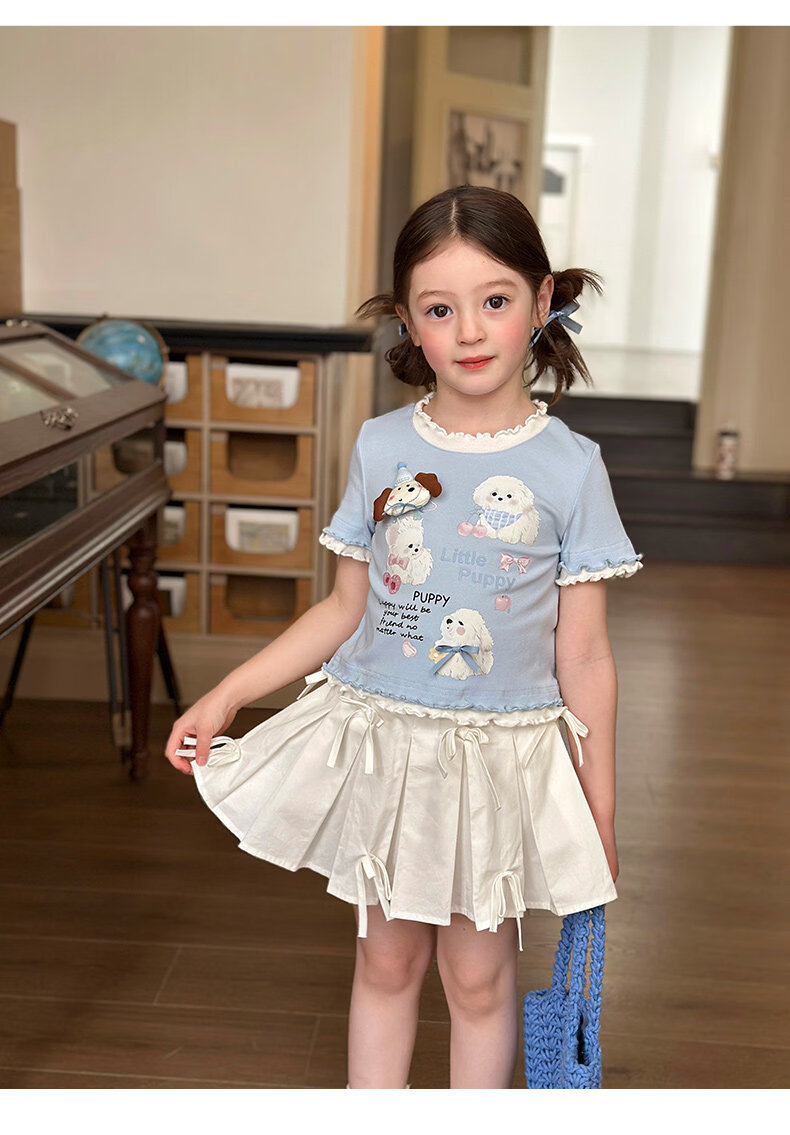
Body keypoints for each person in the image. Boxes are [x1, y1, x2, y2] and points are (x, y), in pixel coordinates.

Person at [164, 184, 644, 1090]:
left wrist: (600, 813)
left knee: (478, 977)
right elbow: (343, 606)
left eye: (495, 300)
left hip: (494, 766)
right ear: (408, 322)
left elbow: (584, 655)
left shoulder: (572, 468)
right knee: (384, 963)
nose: (470, 331)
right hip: (386, 752)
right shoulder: (381, 446)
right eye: (439, 308)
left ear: (542, 300)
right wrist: (227, 695)